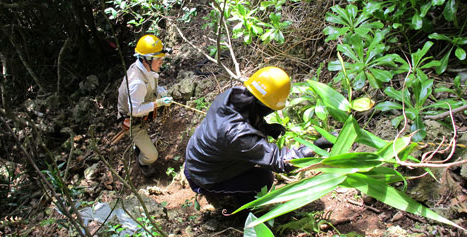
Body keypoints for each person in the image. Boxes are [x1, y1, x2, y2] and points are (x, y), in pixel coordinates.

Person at [184, 66, 331, 205]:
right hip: (204, 177)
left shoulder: (232, 95)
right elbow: (280, 161)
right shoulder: (238, 136)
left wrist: (265, 128)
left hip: (198, 159)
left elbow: (246, 116)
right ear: (265, 106)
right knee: (263, 179)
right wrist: (315, 147)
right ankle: (243, 213)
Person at [117, 34, 173, 177]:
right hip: (133, 119)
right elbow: (135, 110)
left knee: (160, 95)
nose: (161, 62)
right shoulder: (137, 83)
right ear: (146, 59)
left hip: (142, 103)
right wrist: (158, 103)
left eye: (162, 59)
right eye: (158, 59)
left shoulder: (144, 68)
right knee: (152, 156)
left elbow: (152, 87)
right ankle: (142, 161)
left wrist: (161, 93)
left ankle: (141, 144)